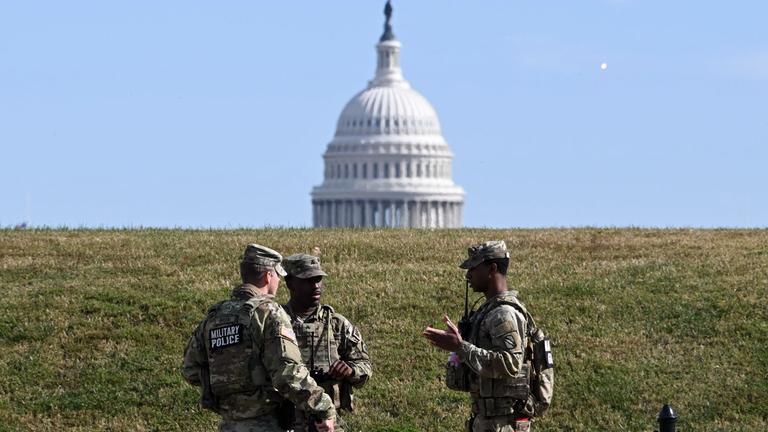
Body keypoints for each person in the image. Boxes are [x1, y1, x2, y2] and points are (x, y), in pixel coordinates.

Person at [182, 244, 336, 432]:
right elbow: (288, 373)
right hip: (266, 424)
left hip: (228, 425)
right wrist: (324, 408)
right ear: (268, 276)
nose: (278, 281)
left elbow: (190, 369)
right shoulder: (267, 312)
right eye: (277, 275)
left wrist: (230, 390)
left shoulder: (214, 317)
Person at [423, 240, 541, 432]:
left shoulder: (503, 314)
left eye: (473, 268)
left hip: (503, 424)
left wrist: (460, 347)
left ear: (492, 268)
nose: (468, 275)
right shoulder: (488, 311)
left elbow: (509, 364)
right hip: (489, 422)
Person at [281, 253, 372, 432]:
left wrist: (351, 370)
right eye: (308, 280)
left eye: (318, 279)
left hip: (329, 423)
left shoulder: (336, 324)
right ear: (290, 283)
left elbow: (365, 367)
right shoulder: (277, 323)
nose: (316, 286)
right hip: (285, 422)